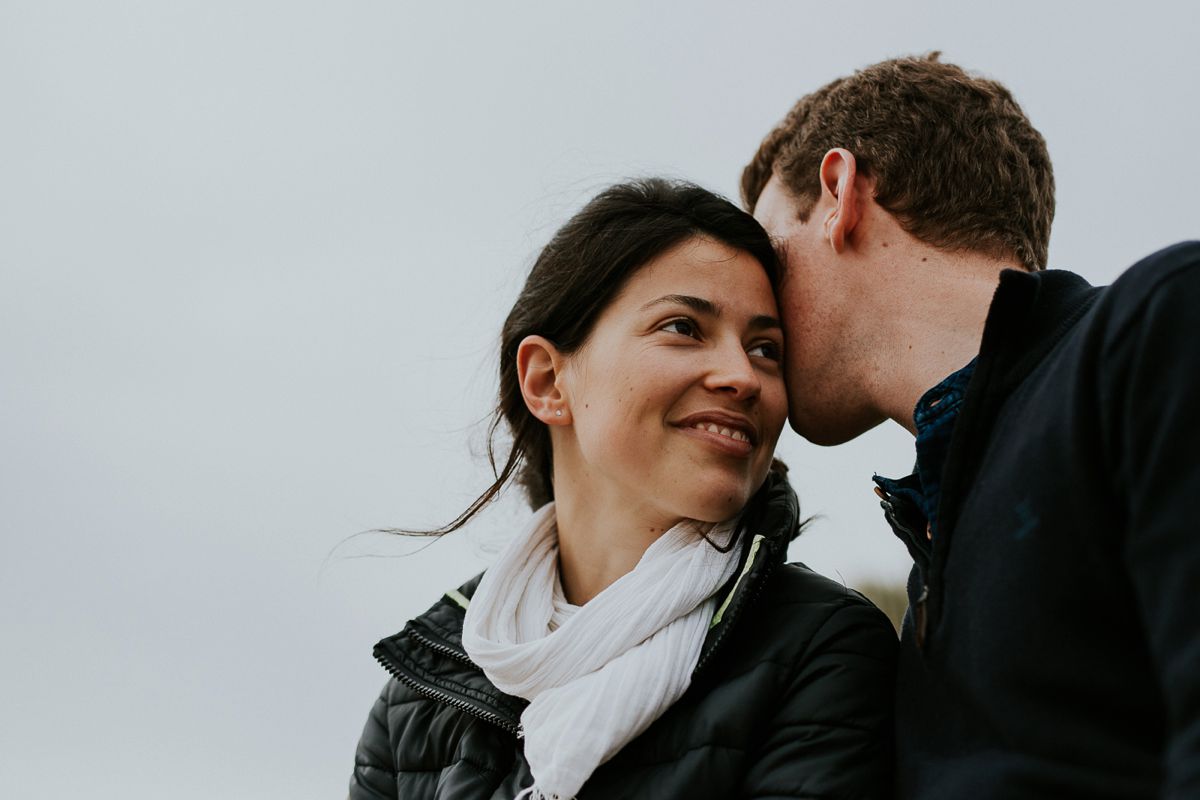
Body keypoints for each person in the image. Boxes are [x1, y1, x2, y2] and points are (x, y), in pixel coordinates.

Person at [347, 179, 897, 799]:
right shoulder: (415, 698)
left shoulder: (824, 650)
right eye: (684, 327)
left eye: (765, 348)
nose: (743, 376)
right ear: (548, 381)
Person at [742, 54, 1200, 799]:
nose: (753, 310)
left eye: (767, 252)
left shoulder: (1161, 327)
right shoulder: (934, 556)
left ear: (838, 194)